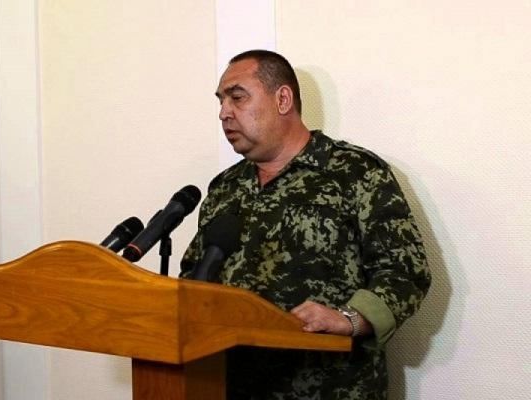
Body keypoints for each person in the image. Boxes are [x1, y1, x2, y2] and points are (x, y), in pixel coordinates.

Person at [180, 50, 431, 400]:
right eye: (221, 101)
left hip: (331, 388)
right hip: (231, 386)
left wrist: (351, 318)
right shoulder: (226, 188)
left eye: (237, 97)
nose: (224, 112)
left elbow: (405, 270)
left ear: (283, 99)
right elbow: (195, 276)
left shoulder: (354, 172)